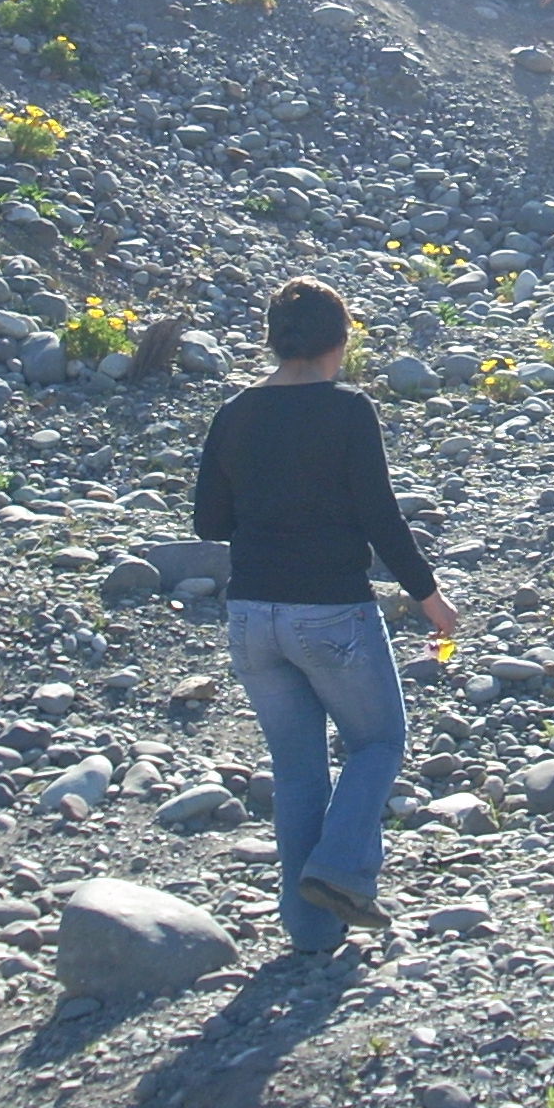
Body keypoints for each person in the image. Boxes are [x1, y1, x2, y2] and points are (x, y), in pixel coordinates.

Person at [195, 279, 456, 949]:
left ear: (274, 339)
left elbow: (208, 520)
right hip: (330, 612)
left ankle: (311, 932)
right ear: (339, 339)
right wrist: (429, 598)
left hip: (252, 616)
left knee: (299, 770)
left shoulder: (234, 412)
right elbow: (381, 519)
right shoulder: (348, 410)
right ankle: (341, 869)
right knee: (378, 743)